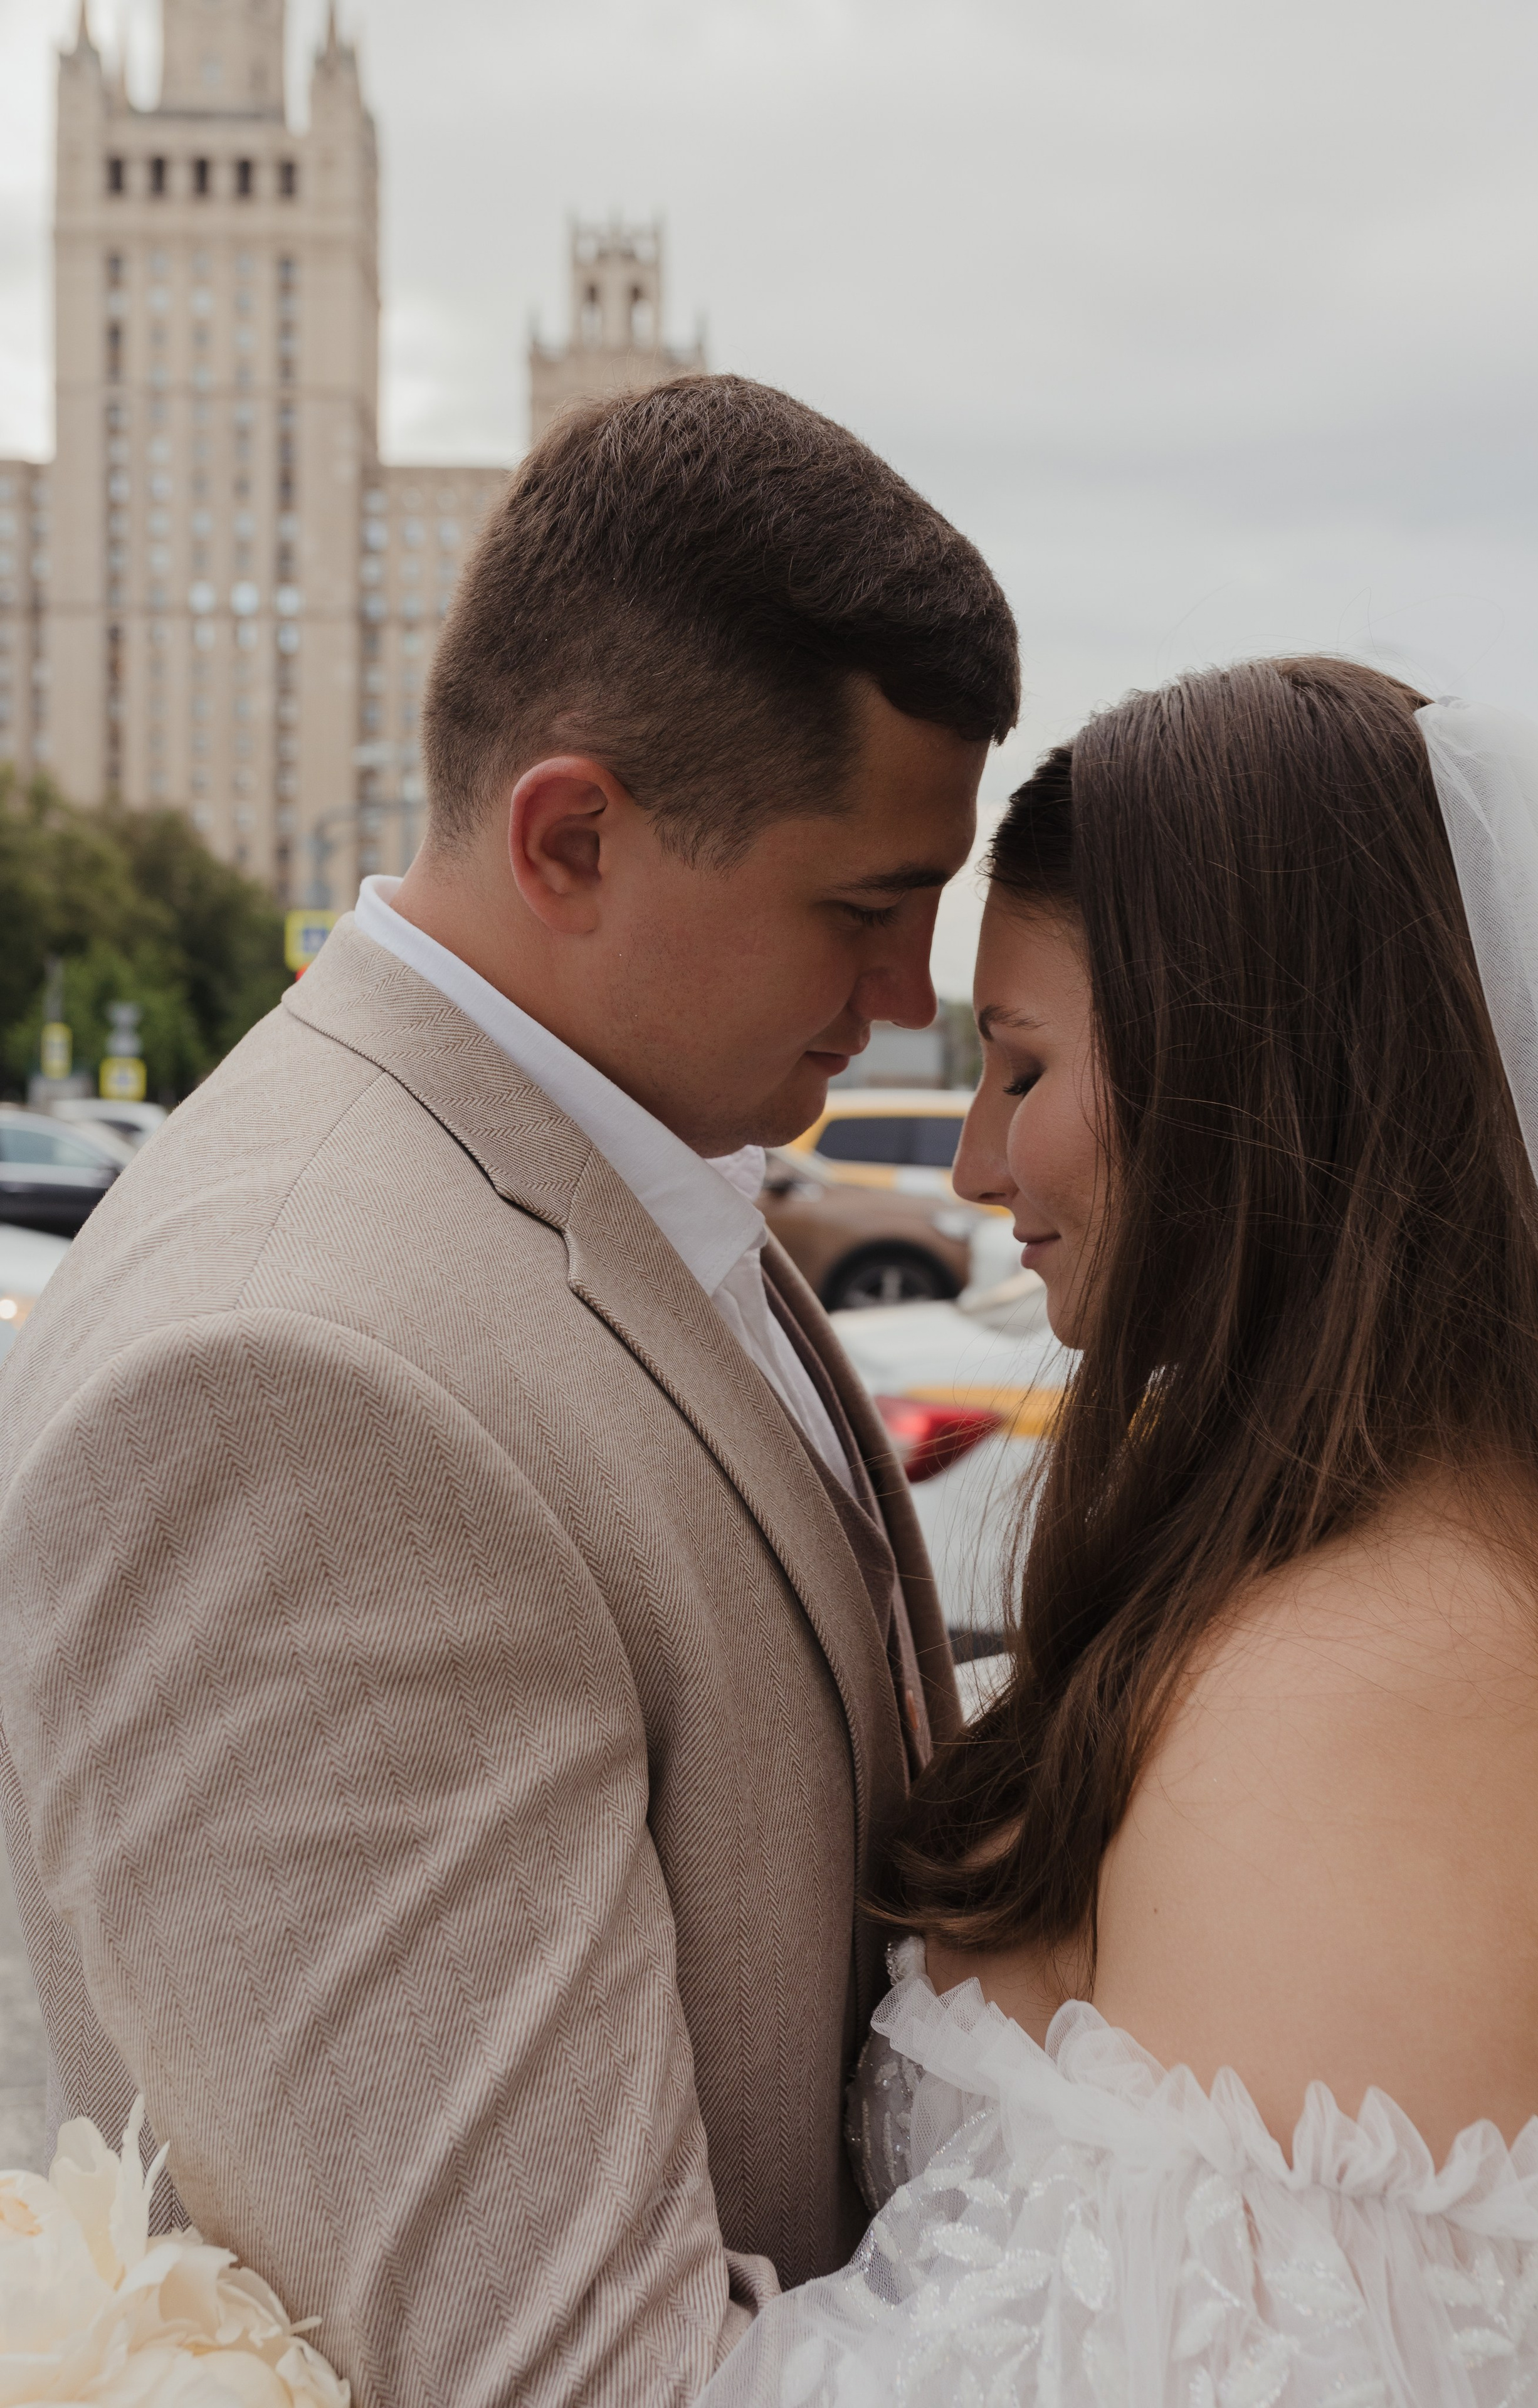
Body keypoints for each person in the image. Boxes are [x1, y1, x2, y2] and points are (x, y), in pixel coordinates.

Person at [0, 375, 1019, 2407]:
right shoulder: (294, 1385)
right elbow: (554, 2370)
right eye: (861, 908)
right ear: (573, 836)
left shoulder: (607, 1162)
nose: (913, 995)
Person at [705, 658, 1538, 2404]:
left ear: (1243, 1089)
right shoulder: (1361, 1574)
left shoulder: (1366, 1706)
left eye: (1021, 1068)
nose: (976, 1163)